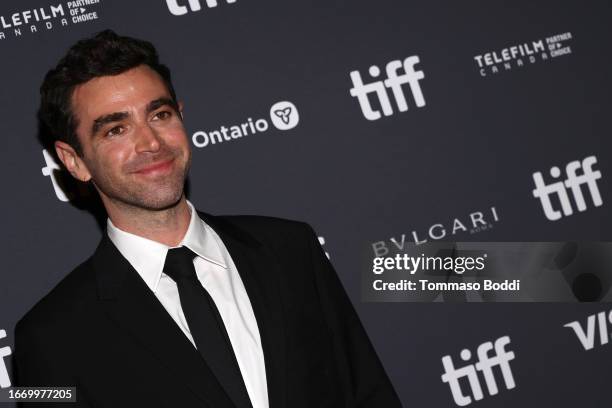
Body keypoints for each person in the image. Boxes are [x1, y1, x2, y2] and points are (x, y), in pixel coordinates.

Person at [13, 30, 402, 408]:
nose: (150, 142)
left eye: (160, 114)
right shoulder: (51, 337)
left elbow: (369, 394)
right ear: (74, 161)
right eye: (116, 129)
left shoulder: (291, 251)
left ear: (181, 117)